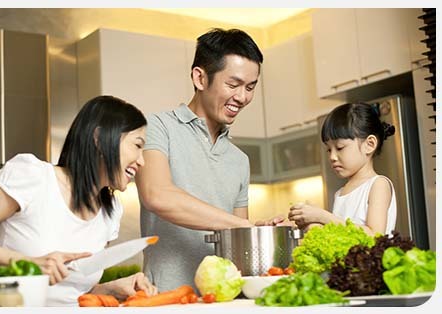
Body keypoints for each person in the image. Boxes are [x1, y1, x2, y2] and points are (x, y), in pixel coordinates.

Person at [0, 95, 158, 306]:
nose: (142, 161)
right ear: (99, 139)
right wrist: (30, 263)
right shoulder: (33, 177)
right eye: (137, 146)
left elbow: (71, 291)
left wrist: (110, 289)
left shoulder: (111, 212)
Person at [135, 28, 266, 292]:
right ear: (200, 78)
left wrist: (257, 230)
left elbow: (237, 237)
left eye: (250, 87)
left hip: (222, 300)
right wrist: (242, 224)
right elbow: (156, 194)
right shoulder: (157, 127)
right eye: (233, 84)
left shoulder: (240, 160)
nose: (242, 97)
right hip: (164, 298)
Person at [288, 102, 397, 236]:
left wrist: (322, 216)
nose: (332, 157)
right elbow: (343, 235)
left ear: (369, 145)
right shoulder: (340, 193)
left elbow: (374, 235)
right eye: (329, 149)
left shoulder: (378, 184)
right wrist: (315, 225)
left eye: (340, 148)